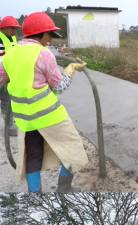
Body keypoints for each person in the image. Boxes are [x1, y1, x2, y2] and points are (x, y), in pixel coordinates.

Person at [0, 12, 89, 192]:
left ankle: (36, 194)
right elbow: (59, 87)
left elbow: (4, 79)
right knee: (73, 148)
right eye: (49, 35)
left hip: (25, 119)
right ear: (41, 34)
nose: (50, 40)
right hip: (49, 115)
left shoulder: (8, 55)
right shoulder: (43, 53)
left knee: (33, 155)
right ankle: (64, 188)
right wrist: (71, 69)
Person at [0, 16, 21, 137]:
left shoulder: (12, 37)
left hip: (11, 74)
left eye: (16, 29)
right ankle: (8, 126)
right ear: (4, 28)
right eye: (12, 28)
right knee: (5, 99)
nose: (14, 31)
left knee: (11, 99)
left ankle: (11, 121)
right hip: (2, 75)